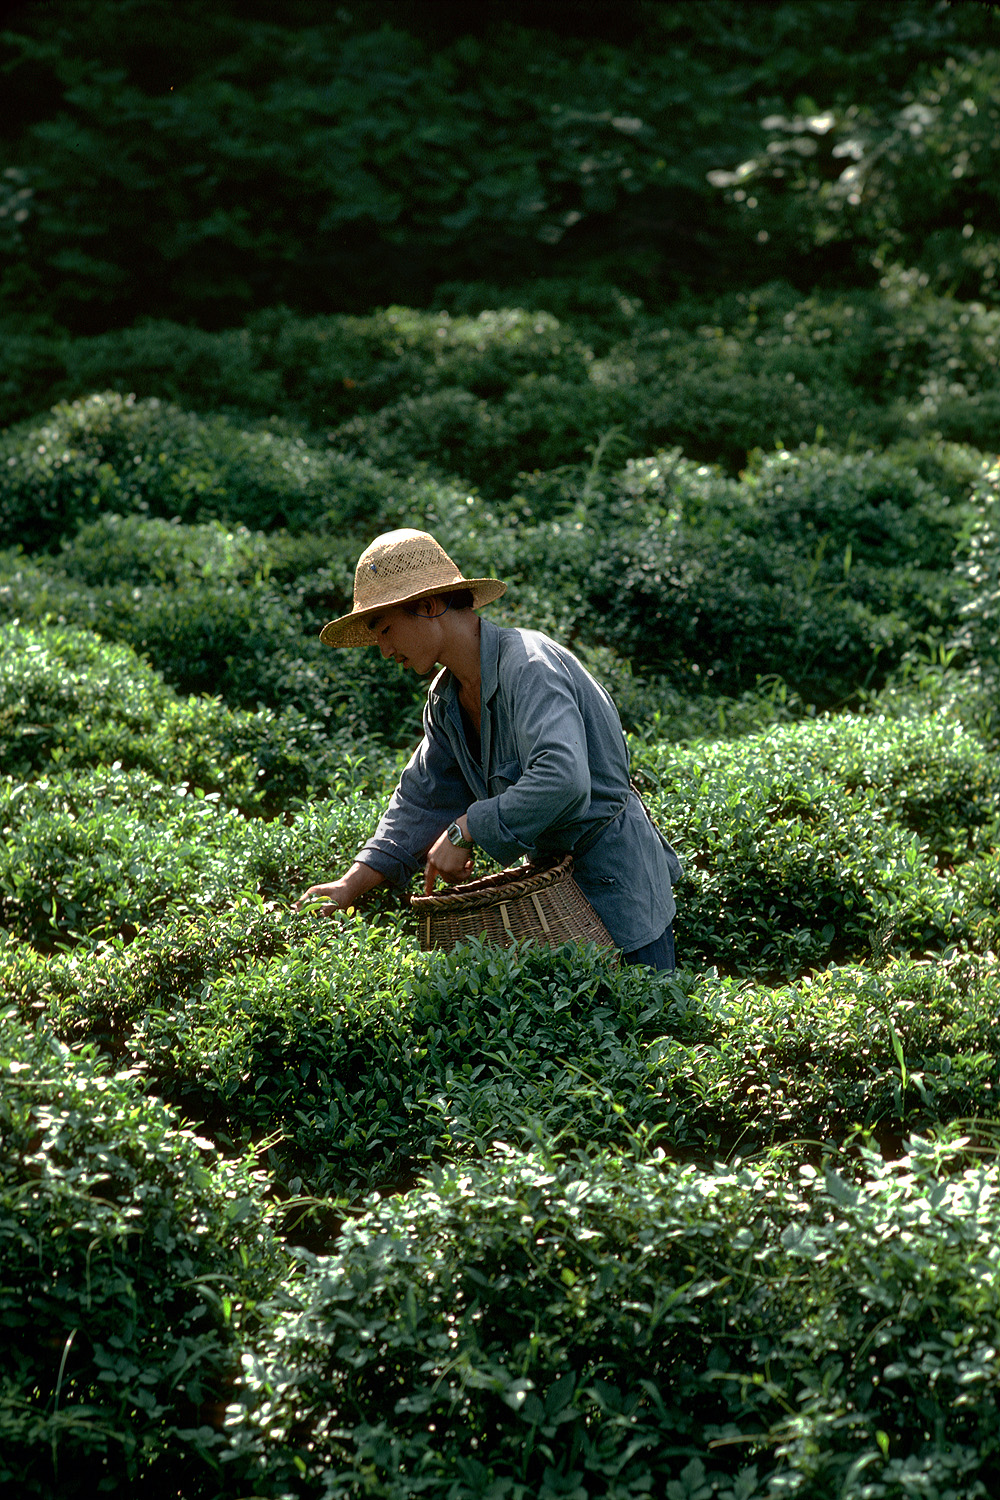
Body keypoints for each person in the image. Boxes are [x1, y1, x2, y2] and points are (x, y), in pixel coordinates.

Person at [297, 528, 681, 970]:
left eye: (386, 630)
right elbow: (422, 799)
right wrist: (350, 884)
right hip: (555, 901)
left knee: (647, 1027)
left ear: (427, 606)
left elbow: (562, 777)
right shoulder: (446, 700)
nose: (384, 651)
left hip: (622, 893)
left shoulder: (530, 667)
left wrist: (466, 829)